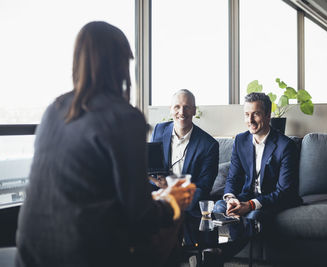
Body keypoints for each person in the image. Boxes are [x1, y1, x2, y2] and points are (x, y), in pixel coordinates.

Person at [15, 21, 195, 267]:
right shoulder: (124, 117)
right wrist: (172, 200)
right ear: (122, 63)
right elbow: (141, 217)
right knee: (175, 215)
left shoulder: (54, 110)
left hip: (30, 253)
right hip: (85, 256)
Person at [214, 92, 302, 222]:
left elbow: (284, 192)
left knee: (253, 216)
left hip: (274, 200)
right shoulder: (240, 140)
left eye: (256, 114)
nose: (250, 120)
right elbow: (233, 177)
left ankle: (241, 240)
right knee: (219, 207)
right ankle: (230, 243)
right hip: (247, 197)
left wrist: (250, 205)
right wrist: (231, 199)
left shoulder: (286, 146)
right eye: (247, 115)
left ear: (268, 116)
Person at [150, 89, 219, 216]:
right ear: (170, 109)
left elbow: (204, 187)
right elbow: (151, 168)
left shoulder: (209, 145)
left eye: (186, 107)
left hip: (189, 206)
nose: (181, 112)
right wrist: (154, 181)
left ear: (194, 110)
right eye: (177, 107)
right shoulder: (159, 130)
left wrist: (171, 189)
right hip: (160, 202)